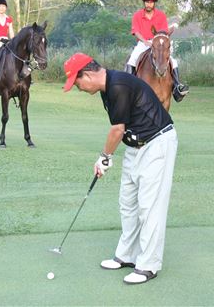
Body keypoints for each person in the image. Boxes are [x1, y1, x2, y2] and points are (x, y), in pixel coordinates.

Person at [63, 53, 179, 285]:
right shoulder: (107, 89)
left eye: (77, 83)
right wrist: (108, 156)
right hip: (135, 146)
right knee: (128, 203)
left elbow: (117, 129)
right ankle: (126, 255)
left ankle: (148, 266)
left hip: (157, 143)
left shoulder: (118, 85)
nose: (79, 88)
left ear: (87, 74)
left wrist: (104, 157)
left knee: (149, 206)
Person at [126, 0, 189, 102]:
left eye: (151, 2)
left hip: (158, 43)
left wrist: (159, 41)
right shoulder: (137, 15)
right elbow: (136, 31)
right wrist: (145, 41)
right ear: (143, 2)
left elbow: (163, 32)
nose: (149, 4)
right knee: (132, 59)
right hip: (143, 43)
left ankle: (177, 88)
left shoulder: (161, 16)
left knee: (173, 61)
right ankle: (127, 88)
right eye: (146, 1)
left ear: (154, 2)